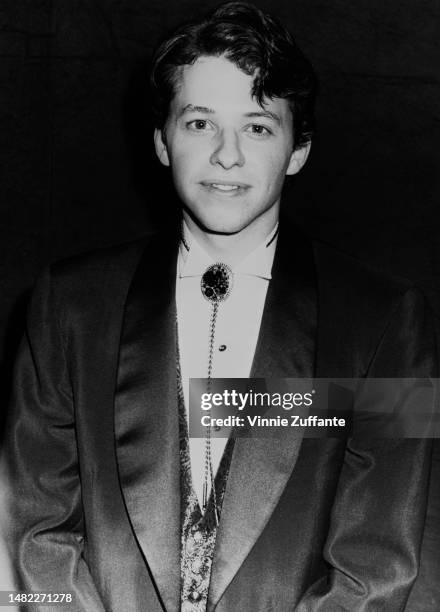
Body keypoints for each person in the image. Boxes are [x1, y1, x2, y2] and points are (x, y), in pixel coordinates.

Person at [4, 2, 437, 611]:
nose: (227, 155)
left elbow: (378, 565)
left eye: (258, 126)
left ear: (298, 150)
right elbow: (28, 530)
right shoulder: (66, 304)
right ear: (161, 141)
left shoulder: (392, 319)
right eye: (200, 123)